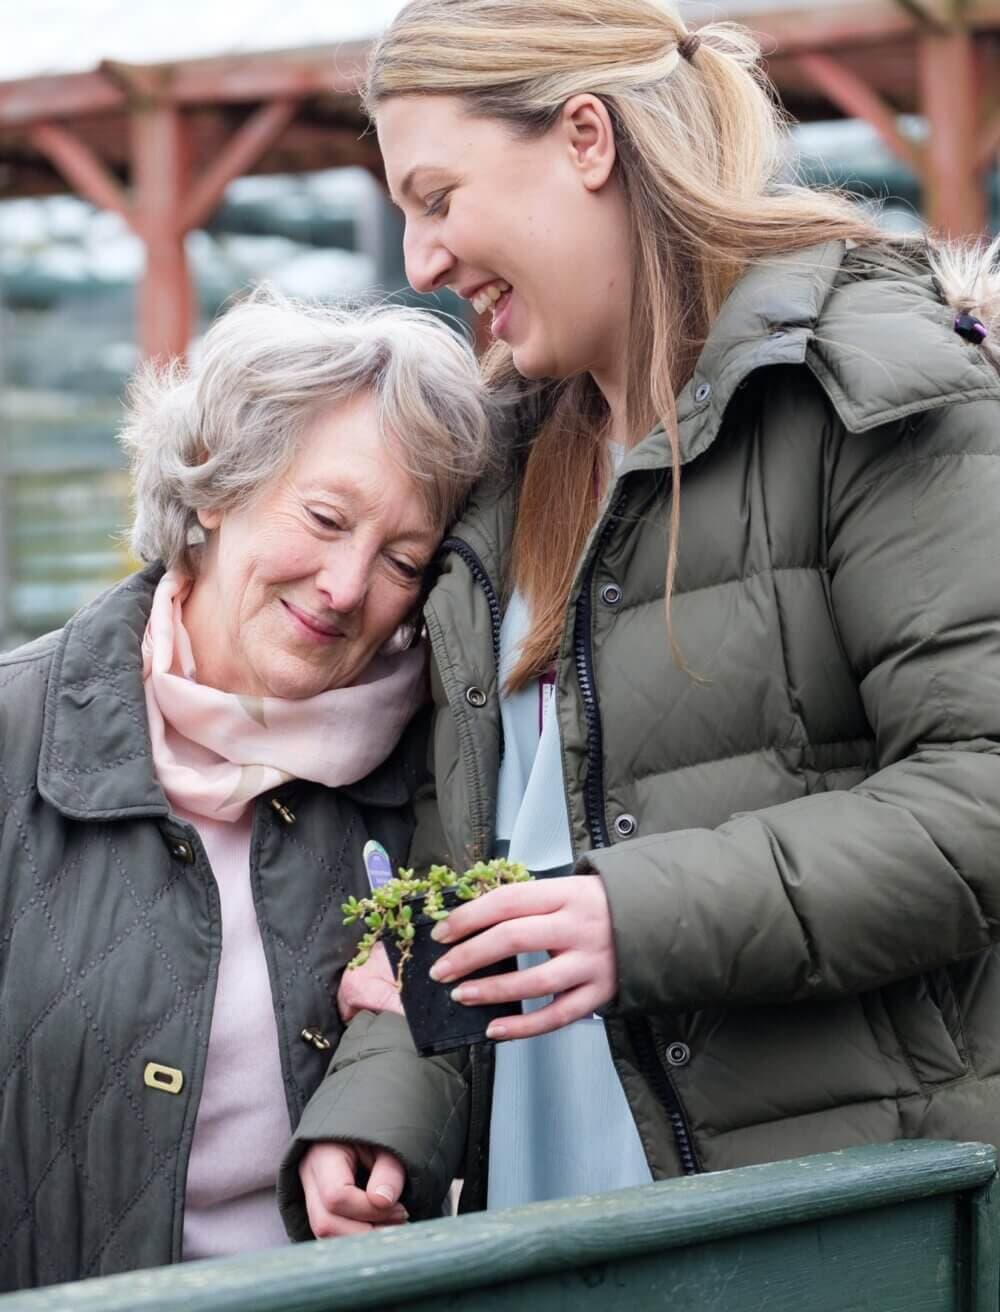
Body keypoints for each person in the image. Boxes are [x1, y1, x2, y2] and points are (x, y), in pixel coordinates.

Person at [278, 0, 1000, 1239]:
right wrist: (387, 1103)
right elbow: (470, 866)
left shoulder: (879, 389)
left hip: (829, 1231)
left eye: (437, 194)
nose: (419, 261)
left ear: (585, 140)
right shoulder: (497, 472)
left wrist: (634, 916)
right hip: (549, 1221)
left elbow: (980, 793)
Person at [0, 290, 492, 1290]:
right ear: (218, 484)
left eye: (402, 559)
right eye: (323, 517)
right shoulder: (18, 733)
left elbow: (489, 1040)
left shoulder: (449, 770)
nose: (347, 586)